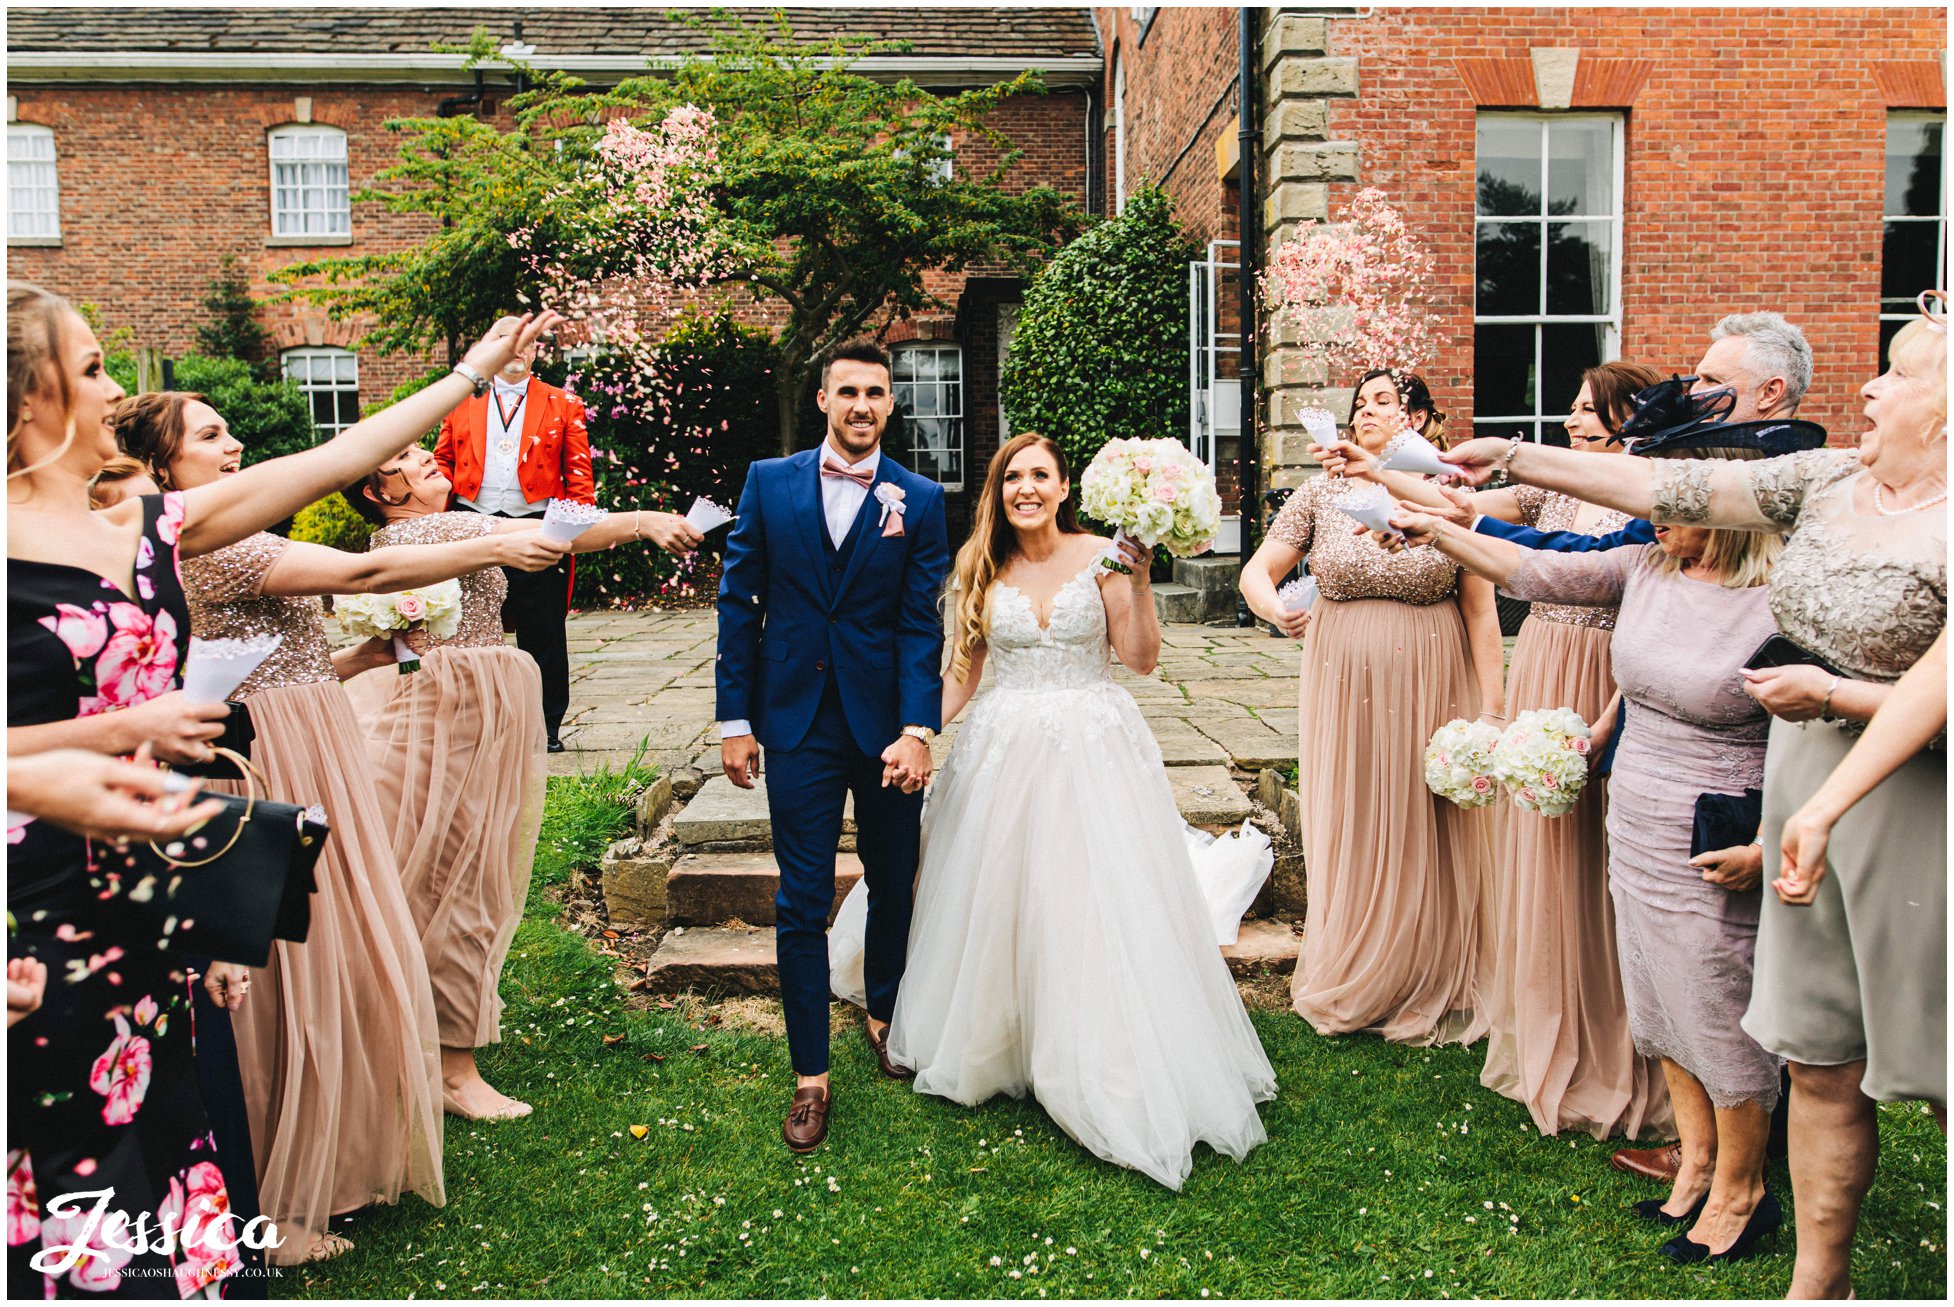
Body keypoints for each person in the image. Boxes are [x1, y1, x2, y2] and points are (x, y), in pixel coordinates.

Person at [6, 276, 560, 1295]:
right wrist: (119, 731)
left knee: (172, 1130)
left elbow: (329, 461)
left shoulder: (146, 529)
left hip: (149, 895)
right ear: (30, 399)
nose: (116, 388)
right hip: (32, 920)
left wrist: (471, 373)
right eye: (90, 369)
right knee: (72, 1184)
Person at [1437, 307, 1944, 1285]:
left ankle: (1756, 1195)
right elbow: (1661, 483)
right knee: (1814, 1055)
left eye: (1897, 374)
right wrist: (1514, 453)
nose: (1869, 388)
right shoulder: (1830, 479)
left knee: (1929, 1063)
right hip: (1797, 784)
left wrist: (1834, 694)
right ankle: (1815, 1277)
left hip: (1902, 796)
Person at [117, 390, 572, 1263]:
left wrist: (356, 657)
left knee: (340, 952)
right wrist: (494, 541)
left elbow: (276, 647)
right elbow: (360, 575)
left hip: (312, 729)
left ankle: (334, 1162)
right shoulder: (202, 540)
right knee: (289, 968)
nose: (236, 442)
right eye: (210, 435)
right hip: (273, 753)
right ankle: (276, 1195)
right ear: (161, 465)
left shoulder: (223, 537)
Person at [1394, 412, 1824, 1264]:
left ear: (1731, 506)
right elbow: (1533, 568)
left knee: (1715, 1002)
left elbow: (1808, 741)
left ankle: (1745, 1190)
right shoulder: (1647, 565)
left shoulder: (1784, 601)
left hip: (1719, 822)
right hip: (1634, 809)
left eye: (1675, 499)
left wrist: (1770, 839)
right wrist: (1440, 525)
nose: (1654, 514)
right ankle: (1693, 1164)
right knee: (1658, 1000)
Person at [854, 432, 1274, 1188]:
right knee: (1006, 896)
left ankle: (1095, 1045)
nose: (1025, 487)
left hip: (1095, 749)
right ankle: (1000, 1035)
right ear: (998, 489)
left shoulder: (1104, 557)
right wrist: (916, 733)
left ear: (1063, 486)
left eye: (1038, 475)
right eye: (1011, 475)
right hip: (1002, 751)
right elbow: (960, 677)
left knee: (1088, 897)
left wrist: (1141, 579)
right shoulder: (982, 567)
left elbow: (1141, 658)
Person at [1318, 361, 1671, 1139]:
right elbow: (1459, 503)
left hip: (1609, 667)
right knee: (1546, 857)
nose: (1574, 420)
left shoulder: (1654, 493)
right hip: (1546, 658)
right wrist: (1375, 469)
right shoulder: (1550, 488)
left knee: (1611, 860)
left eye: (1589, 410)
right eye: (1574, 408)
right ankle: (1560, 1034)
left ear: (1629, 418)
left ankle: (1628, 1047)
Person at [343, 445, 699, 1122]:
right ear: (379, 490)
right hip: (449, 718)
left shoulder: (438, 526)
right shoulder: (430, 532)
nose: (423, 456)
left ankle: (408, 1048)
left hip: (450, 713)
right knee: (462, 881)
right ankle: (452, 1070)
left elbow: (536, 525)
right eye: (403, 457)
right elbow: (541, 533)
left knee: (432, 880)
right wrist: (640, 520)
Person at [714, 338, 949, 1153]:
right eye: (846, 391)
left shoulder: (917, 498)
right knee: (802, 897)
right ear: (823, 400)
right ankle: (810, 1073)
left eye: (875, 393)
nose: (861, 406)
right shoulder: (768, 483)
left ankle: (884, 1011)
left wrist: (918, 729)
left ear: (890, 404)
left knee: (893, 878)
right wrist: (734, 719)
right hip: (796, 721)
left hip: (886, 726)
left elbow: (923, 621)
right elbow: (739, 603)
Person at [1238, 369, 1504, 1045]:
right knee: (1354, 809)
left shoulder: (1448, 494)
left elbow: (1480, 612)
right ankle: (1358, 961)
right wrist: (1276, 611)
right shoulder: (1321, 491)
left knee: (1422, 817)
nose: (1365, 413)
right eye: (1358, 404)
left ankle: (1426, 968)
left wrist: (1494, 709)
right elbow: (1257, 571)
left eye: (1382, 401)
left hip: (1430, 672)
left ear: (1417, 416)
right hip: (1341, 674)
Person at [434, 333, 592, 751]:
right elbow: (441, 462)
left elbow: (579, 476)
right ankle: (471, 720)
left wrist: (573, 530)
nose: (516, 353)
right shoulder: (462, 398)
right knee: (468, 628)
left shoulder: (564, 402)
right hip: (471, 522)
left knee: (543, 629)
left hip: (536, 526)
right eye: (507, 344)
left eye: (525, 345)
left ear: (535, 351)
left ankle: (546, 726)